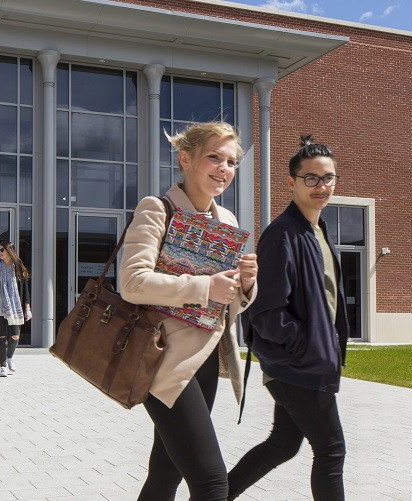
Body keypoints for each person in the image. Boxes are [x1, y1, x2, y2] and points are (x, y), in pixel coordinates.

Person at [119, 121, 259, 500]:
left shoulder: (226, 220)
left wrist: (245, 284)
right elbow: (131, 282)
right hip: (164, 360)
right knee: (212, 481)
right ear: (186, 158)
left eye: (231, 162)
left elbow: (227, 300)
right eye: (214, 157)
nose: (224, 169)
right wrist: (203, 286)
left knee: (166, 473)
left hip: (208, 360)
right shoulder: (157, 209)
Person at [227, 135, 349, 500]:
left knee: (283, 445)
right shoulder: (282, 234)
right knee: (331, 449)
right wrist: (306, 346)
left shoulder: (317, 231)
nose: (321, 186)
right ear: (292, 182)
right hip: (299, 366)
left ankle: (213, 497)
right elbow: (266, 313)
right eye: (310, 178)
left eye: (328, 178)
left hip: (305, 363)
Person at [0, 240, 31, 377]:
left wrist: (27, 307)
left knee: (15, 336)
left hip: (15, 307)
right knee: (2, 336)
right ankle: (3, 366)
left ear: (10, 251)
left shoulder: (18, 267)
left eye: (2, 250)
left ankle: (9, 357)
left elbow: (25, 289)